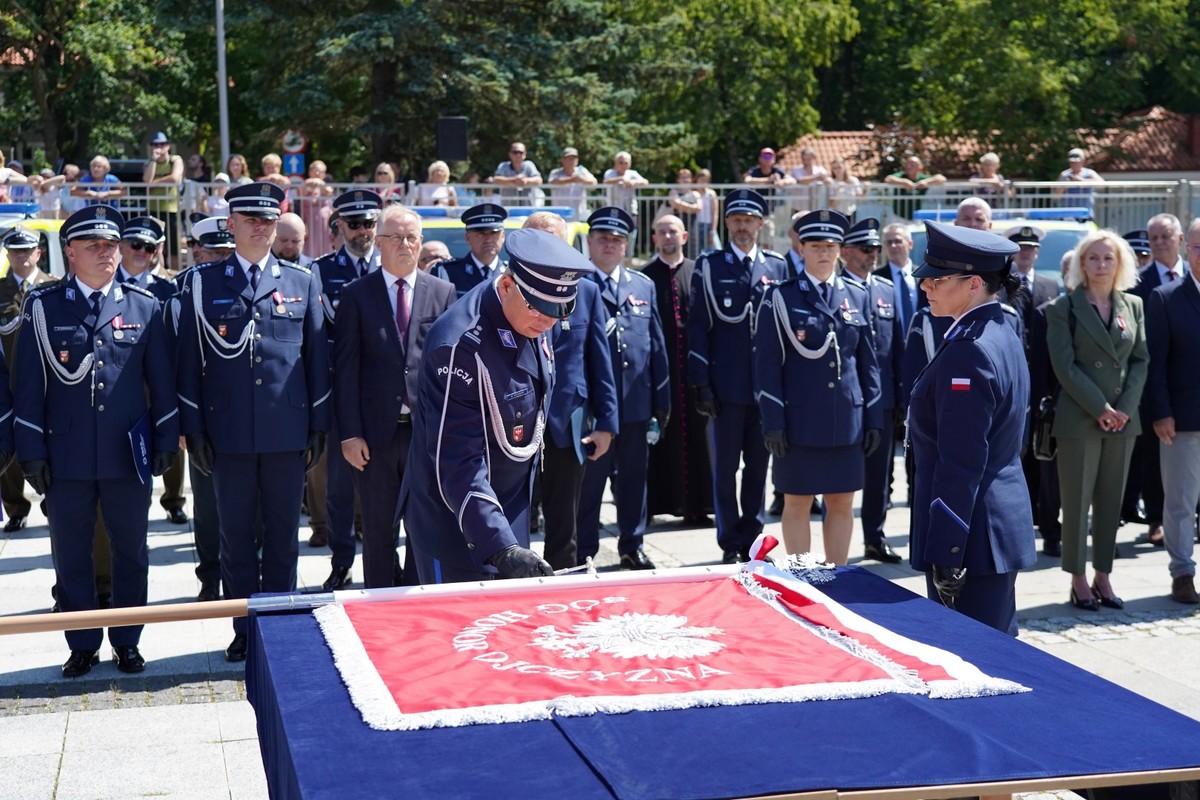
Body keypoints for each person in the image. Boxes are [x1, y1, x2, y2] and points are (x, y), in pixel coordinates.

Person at [14, 206, 178, 677]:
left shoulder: (143, 305)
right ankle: (82, 643)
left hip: (128, 454)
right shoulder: (44, 307)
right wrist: (31, 452)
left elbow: (162, 384)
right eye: (94, 246)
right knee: (71, 554)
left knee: (132, 551)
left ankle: (127, 640)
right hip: (65, 455)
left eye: (111, 245)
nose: (106, 253)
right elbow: (29, 387)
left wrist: (166, 439)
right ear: (70, 251)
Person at [176, 181, 330, 662]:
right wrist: (194, 428)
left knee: (284, 536)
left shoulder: (301, 281)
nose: (261, 228)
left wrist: (318, 425)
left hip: (286, 432)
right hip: (228, 434)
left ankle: (281, 629)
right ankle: (245, 629)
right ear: (231, 225)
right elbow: (188, 363)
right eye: (251, 220)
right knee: (236, 539)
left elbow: (316, 360)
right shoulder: (202, 283)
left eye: (268, 220)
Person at [400, 228, 594, 583]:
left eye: (560, 310)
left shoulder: (533, 313)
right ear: (506, 286)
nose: (548, 321)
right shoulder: (460, 346)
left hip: (509, 513)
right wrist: (501, 545)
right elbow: (458, 459)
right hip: (457, 525)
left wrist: (510, 538)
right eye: (540, 309)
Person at [907, 221, 1035, 636]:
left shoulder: (969, 350)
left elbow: (961, 460)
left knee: (971, 658)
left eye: (937, 279)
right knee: (995, 650)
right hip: (990, 526)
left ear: (974, 284)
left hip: (972, 536)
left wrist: (948, 548)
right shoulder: (996, 330)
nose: (925, 286)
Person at [334, 204, 456, 587]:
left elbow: (452, 369)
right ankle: (379, 605)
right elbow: (345, 370)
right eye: (396, 237)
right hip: (374, 438)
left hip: (425, 435)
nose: (405, 244)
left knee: (424, 529)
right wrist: (350, 434)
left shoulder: (443, 293)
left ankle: (417, 602)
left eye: (411, 238)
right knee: (377, 531)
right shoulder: (356, 295)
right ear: (379, 242)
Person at [756, 210, 881, 565]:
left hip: (846, 420)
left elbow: (869, 363)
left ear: (840, 249)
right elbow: (766, 366)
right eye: (815, 246)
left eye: (830, 246)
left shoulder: (857, 295)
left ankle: (837, 577)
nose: (823, 253)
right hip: (799, 422)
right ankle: (804, 578)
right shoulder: (780, 297)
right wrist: (773, 421)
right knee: (797, 500)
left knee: (841, 500)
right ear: (802, 248)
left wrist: (874, 419)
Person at [1045, 230, 1147, 611]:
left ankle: (1103, 575)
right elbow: (1064, 366)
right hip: (1081, 418)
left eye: (1108, 258)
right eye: (1094, 258)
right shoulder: (1063, 307)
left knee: (1111, 501)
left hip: (1123, 420)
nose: (1101, 265)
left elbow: (1140, 360)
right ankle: (1077, 579)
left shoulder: (1133, 305)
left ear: (1120, 263)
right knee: (1076, 502)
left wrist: (1125, 407)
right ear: (1081, 264)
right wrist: (1101, 408)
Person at [688, 189, 788, 563]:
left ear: (760, 224)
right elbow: (698, 327)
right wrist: (701, 383)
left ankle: (752, 539)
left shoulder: (777, 267)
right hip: (725, 389)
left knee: (758, 469)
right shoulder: (709, 265)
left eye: (749, 220)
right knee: (726, 469)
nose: (743, 227)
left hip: (765, 390)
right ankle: (730, 540)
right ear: (727, 222)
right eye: (736, 220)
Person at [576, 207, 670, 569]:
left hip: (635, 403)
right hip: (593, 409)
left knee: (633, 482)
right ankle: (584, 550)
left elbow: (655, 346)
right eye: (603, 239)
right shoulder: (576, 284)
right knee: (589, 485)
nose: (610, 245)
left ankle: (633, 545)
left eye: (617, 240)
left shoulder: (642, 285)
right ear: (590, 241)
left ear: (626, 245)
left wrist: (661, 402)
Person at [528, 213, 618, 571]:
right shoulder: (504, 289)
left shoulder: (587, 291)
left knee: (565, 525)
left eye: (554, 240)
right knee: (512, 519)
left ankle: (561, 584)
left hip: (567, 425)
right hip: (514, 425)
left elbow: (599, 361)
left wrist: (606, 423)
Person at [308, 189, 382, 589]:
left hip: (383, 393)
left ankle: (382, 560)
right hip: (341, 391)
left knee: (384, 483)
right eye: (354, 224)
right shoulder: (319, 271)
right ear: (339, 227)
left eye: (368, 223)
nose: (362, 231)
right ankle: (341, 562)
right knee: (338, 486)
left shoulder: (389, 267)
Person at [839, 217, 903, 563]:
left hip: (884, 399)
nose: (873, 254)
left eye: (875, 248)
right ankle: (837, 545)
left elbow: (898, 348)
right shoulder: (836, 288)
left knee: (881, 474)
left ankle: (874, 538)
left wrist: (903, 397)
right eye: (865, 248)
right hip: (847, 398)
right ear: (846, 252)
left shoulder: (886, 289)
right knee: (843, 475)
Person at [642, 214, 712, 524]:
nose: (667, 237)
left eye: (673, 231)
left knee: (699, 441)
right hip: (660, 375)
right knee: (659, 441)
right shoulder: (644, 277)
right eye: (662, 232)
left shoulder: (698, 272)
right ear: (654, 239)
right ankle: (655, 506)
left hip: (695, 373)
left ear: (684, 236)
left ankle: (697, 508)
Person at [1145, 217, 1200, 604]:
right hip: (1183, 418)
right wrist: (1161, 411)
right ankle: (1182, 573)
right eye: (1198, 247)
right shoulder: (1165, 298)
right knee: (1180, 502)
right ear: (1186, 248)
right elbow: (1156, 363)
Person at [1126, 213, 1184, 546]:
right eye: (1154, 238)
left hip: (1191, 379)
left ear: (1180, 240)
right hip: (1153, 380)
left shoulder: (1194, 277)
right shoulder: (1137, 283)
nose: (1159, 243)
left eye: (1166, 236)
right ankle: (1157, 518)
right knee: (1154, 452)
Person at [0, 228, 56, 532]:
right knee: (7, 444)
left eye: (27, 249)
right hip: (7, 381)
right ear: (8, 254)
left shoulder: (54, 287)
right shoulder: (0, 290)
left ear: (38, 253)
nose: (21, 255)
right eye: (15, 250)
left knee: (50, 445)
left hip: (48, 382)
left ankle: (53, 504)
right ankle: (16, 509)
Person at [430, 203, 507, 298]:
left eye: (494, 233)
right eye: (481, 233)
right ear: (467, 237)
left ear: (503, 236)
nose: (488, 239)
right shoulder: (446, 273)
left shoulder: (513, 274)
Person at [143, 132, 185, 271]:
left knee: (173, 249)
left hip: (170, 210)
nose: (159, 147)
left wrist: (155, 183)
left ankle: (175, 276)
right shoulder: (149, 163)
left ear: (168, 146)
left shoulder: (175, 160)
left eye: (162, 144)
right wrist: (153, 161)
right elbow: (147, 180)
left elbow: (175, 178)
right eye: (155, 144)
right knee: (155, 246)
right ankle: (159, 275)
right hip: (152, 210)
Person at [602, 152, 648, 253]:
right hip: (614, 212)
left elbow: (645, 182)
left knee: (631, 235)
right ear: (615, 163)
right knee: (613, 235)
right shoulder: (610, 173)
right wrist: (621, 179)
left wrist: (634, 182)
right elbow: (606, 181)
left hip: (630, 210)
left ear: (630, 163)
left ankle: (629, 256)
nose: (623, 165)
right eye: (621, 162)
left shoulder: (633, 174)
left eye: (626, 163)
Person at [547, 147, 597, 219]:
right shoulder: (555, 172)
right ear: (562, 160)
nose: (572, 161)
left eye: (574, 158)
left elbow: (594, 183)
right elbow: (552, 183)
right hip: (560, 215)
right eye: (569, 158)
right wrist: (572, 179)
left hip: (578, 213)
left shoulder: (582, 171)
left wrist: (582, 179)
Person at [666, 169, 702, 259]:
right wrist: (691, 208)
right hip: (677, 228)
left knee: (692, 253)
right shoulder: (673, 191)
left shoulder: (696, 193)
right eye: (683, 177)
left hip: (692, 228)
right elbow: (675, 204)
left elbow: (699, 208)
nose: (686, 180)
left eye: (688, 177)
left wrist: (682, 206)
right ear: (678, 180)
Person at [1054, 148, 1104, 212]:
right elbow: (1056, 197)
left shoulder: (1090, 173)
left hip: (1086, 211)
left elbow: (1102, 184)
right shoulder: (1064, 174)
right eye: (1072, 162)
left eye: (1076, 162)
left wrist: (1082, 180)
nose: (1074, 164)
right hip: (1068, 211)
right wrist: (1064, 185)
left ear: (1082, 161)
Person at [694, 169, 719, 252]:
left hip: (708, 225)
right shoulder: (693, 193)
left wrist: (713, 230)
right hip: (695, 225)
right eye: (701, 180)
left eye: (705, 180)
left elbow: (715, 213)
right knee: (696, 251)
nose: (703, 182)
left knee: (713, 250)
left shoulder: (711, 193)